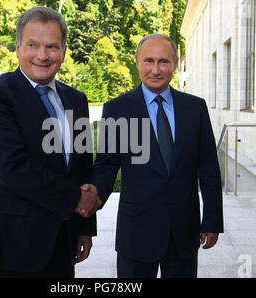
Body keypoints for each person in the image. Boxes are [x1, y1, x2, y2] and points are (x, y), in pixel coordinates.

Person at [0, 6, 101, 278]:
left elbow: (82, 166)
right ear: (17, 47)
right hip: (10, 246)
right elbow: (10, 166)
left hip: (62, 244)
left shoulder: (76, 100)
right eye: (33, 45)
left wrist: (84, 227)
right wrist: (76, 199)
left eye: (52, 46)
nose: (43, 55)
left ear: (62, 51)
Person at [81, 34, 223, 278]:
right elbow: (107, 165)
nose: (155, 70)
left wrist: (212, 220)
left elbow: (209, 169)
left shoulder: (195, 108)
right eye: (148, 61)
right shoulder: (117, 109)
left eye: (163, 62)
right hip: (136, 232)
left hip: (183, 232)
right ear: (137, 61)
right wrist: (93, 197)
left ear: (175, 64)